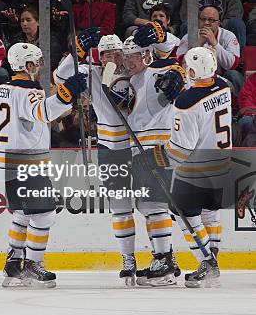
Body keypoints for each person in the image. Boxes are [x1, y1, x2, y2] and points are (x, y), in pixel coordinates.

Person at [136, 46, 230, 288]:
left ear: (191, 70)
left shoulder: (185, 102)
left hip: (198, 166)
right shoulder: (223, 85)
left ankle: (207, 262)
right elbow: (203, 91)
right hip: (222, 162)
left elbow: (179, 151)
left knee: (182, 212)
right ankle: (213, 254)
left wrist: (154, 158)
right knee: (210, 210)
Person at [0, 42, 87, 288]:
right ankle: (34, 265)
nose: (39, 66)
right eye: (35, 62)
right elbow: (42, 113)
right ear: (26, 65)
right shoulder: (28, 90)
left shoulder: (3, 89)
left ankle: (14, 264)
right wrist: (66, 94)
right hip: (27, 161)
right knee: (45, 215)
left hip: (7, 161)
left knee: (24, 213)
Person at [57, 32, 137, 285]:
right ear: (99, 56)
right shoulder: (91, 74)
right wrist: (77, 49)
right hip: (110, 149)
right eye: (106, 52)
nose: (112, 56)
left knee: (151, 207)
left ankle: (163, 254)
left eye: (116, 51)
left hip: (137, 147)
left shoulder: (135, 72)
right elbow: (61, 76)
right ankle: (128, 258)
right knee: (120, 208)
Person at [121, 23, 184, 286]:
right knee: (148, 205)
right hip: (142, 149)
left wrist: (178, 76)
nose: (127, 62)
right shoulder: (132, 80)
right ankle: (163, 257)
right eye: (125, 57)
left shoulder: (159, 70)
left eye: (132, 56)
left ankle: (166, 261)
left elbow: (176, 57)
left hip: (157, 147)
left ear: (146, 54)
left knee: (154, 204)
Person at [177, 5, 243, 94]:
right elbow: (181, 63)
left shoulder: (228, 36)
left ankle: (235, 104)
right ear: (199, 21)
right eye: (203, 19)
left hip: (222, 74)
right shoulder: (189, 37)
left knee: (233, 74)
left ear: (218, 23)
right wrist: (198, 44)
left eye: (211, 20)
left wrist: (215, 43)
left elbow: (232, 64)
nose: (207, 22)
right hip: (196, 78)